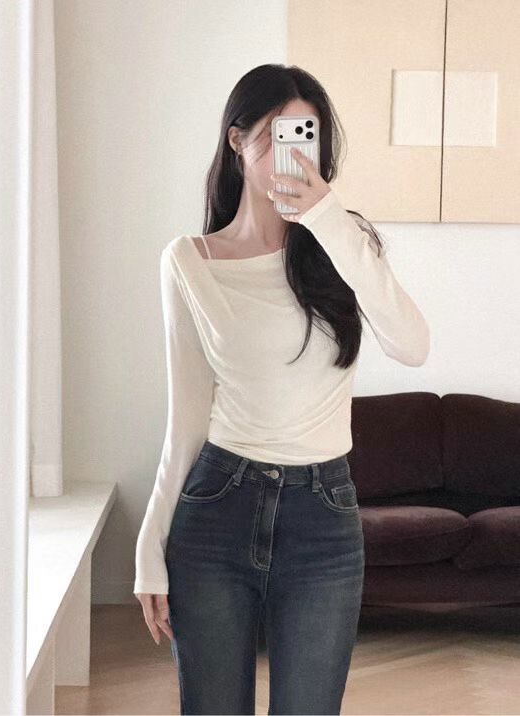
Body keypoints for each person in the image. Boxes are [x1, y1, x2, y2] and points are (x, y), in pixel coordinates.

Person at [134, 63, 430, 715]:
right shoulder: (189, 260)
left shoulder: (345, 243)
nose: (291, 152)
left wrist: (326, 217)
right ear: (237, 140)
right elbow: (187, 417)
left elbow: (412, 346)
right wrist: (149, 548)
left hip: (323, 514)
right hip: (216, 505)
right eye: (274, 135)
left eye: (306, 136)